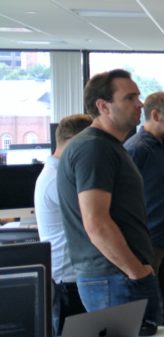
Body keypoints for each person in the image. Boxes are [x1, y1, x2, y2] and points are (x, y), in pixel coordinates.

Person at [58, 69, 161, 336]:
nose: (140, 104)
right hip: (114, 278)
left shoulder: (110, 145)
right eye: (130, 98)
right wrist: (135, 271)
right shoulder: (94, 148)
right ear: (103, 106)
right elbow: (97, 223)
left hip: (117, 277)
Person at [123, 92, 164, 337]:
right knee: (148, 309)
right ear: (156, 115)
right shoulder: (136, 149)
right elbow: (123, 198)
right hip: (147, 241)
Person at [35, 113, 92, 336]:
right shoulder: (55, 178)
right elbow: (93, 217)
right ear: (72, 141)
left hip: (73, 273)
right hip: (68, 278)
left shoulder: (62, 173)